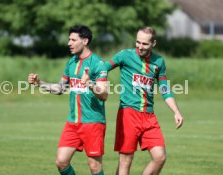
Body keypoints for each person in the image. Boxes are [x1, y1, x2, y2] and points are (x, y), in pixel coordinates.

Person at [28, 25, 108, 175]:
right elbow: (59, 88)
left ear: (85, 41)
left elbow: (104, 94)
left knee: (94, 167)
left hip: (93, 122)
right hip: (73, 123)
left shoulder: (98, 63)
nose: (69, 43)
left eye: (73, 40)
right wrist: (40, 83)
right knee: (61, 162)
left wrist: (90, 84)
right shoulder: (71, 62)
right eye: (69, 39)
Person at [106, 26, 184, 175]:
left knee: (160, 157)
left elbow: (165, 89)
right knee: (125, 160)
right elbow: (103, 68)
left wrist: (176, 112)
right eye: (138, 42)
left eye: (145, 44)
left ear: (153, 43)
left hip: (149, 116)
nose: (140, 47)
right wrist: (92, 79)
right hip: (128, 114)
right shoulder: (125, 55)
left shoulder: (159, 62)